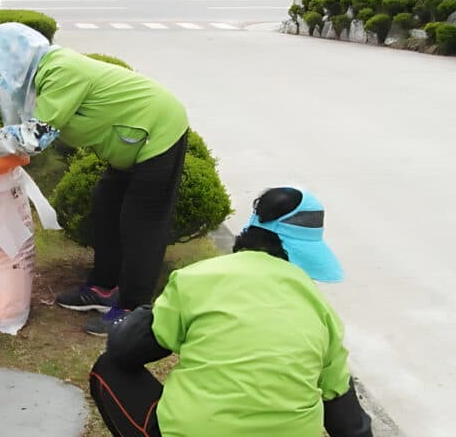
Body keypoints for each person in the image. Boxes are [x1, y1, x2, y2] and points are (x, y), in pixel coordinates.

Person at [0, 22, 190, 335]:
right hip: (130, 143)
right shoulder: (39, 77)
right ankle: (104, 289)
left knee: (142, 223)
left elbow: (36, 136)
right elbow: (33, 129)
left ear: (15, 61)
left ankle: (134, 309)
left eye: (1, 76)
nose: (3, 86)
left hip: (158, 131)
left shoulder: (60, 70)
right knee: (105, 208)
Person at [89, 187, 373, 437]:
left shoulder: (196, 278)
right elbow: (350, 425)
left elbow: (125, 349)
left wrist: (144, 316)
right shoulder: (321, 311)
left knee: (109, 367)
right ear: (305, 254)